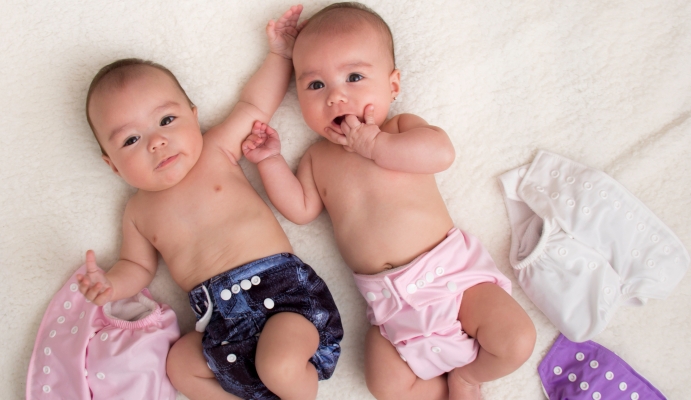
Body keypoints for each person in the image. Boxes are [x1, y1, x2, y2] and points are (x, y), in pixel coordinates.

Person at [241, 3, 535, 399]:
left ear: (393, 86)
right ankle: (438, 389)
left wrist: (378, 145)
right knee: (385, 386)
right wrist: (270, 162)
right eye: (316, 86)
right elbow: (301, 209)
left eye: (355, 77)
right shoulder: (316, 159)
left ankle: (468, 377)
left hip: (452, 280)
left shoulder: (400, 129)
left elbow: (441, 153)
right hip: (390, 308)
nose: (336, 97)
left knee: (516, 340)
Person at [77, 5, 343, 400]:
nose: (156, 141)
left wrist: (279, 55)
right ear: (112, 165)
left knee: (278, 363)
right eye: (131, 140)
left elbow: (254, 106)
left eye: (166, 120)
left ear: (193, 115)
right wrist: (111, 285)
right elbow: (137, 267)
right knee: (180, 365)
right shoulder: (137, 213)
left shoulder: (215, 149)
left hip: (286, 303)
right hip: (221, 326)